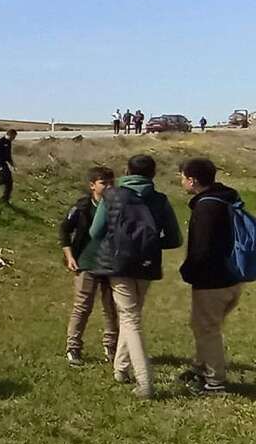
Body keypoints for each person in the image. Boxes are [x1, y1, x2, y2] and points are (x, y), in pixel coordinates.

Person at [87, 154, 183, 399]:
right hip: (147, 264)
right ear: (153, 174)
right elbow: (174, 239)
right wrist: (149, 244)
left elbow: (95, 232)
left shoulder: (112, 196)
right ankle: (120, 368)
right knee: (132, 315)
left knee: (129, 319)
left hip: (118, 263)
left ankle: (145, 382)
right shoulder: (160, 200)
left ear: (127, 171)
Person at [177, 158, 245, 394]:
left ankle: (215, 381)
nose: (181, 180)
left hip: (213, 281)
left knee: (207, 329)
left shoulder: (206, 207)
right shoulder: (226, 198)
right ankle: (200, 366)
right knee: (204, 326)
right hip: (233, 277)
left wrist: (188, 272)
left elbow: (202, 250)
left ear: (192, 180)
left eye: (183, 176)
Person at [60, 166, 118, 367]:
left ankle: (112, 346)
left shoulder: (118, 205)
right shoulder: (83, 206)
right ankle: (73, 347)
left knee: (112, 307)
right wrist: (69, 256)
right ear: (92, 185)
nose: (109, 186)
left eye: (112, 182)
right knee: (82, 306)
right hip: (86, 262)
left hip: (112, 264)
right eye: (104, 183)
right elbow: (64, 230)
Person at [0, 129, 17, 202]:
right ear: (9, 135)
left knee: (9, 181)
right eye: (13, 137)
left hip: (3, 163)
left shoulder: (8, 143)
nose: (13, 139)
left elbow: (8, 156)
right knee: (5, 178)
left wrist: (12, 165)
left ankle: (5, 199)